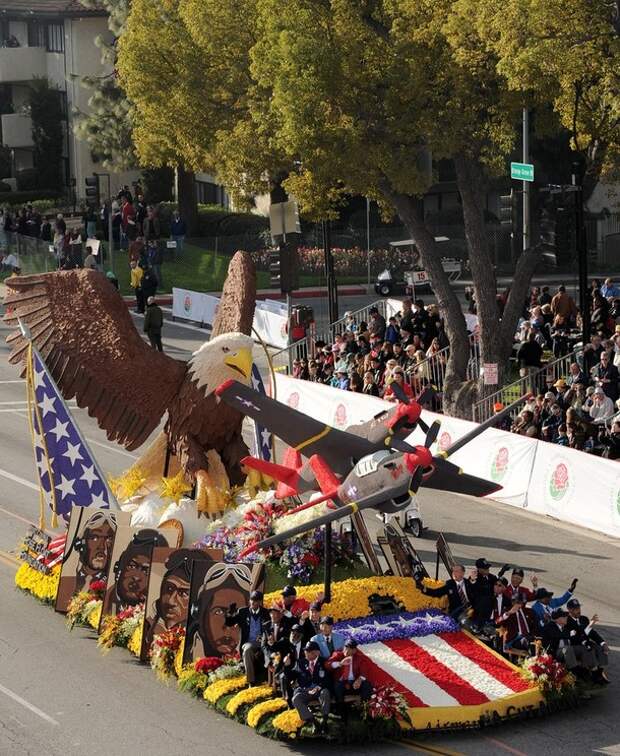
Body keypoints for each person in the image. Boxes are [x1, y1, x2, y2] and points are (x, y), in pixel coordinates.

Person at [56, 510, 117, 610]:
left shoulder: (111, 591)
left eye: (109, 539)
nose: (102, 546)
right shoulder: (65, 581)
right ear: (81, 544)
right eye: (95, 537)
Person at [225, 590, 270, 686]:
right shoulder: (243, 612)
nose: (253, 602)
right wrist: (229, 613)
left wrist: (264, 638)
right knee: (247, 649)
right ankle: (251, 681)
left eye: (256, 600)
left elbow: (269, 628)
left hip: (262, 642)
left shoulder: (266, 613)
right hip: (248, 642)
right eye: (251, 600)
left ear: (260, 602)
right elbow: (230, 623)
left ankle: (270, 680)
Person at [291, 641, 332, 734]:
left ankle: (324, 722)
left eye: (308, 651)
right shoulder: (301, 662)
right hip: (306, 690)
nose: (306, 653)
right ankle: (314, 722)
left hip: (319, 689)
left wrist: (318, 687)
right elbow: (292, 675)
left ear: (317, 652)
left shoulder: (324, 662)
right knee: (296, 699)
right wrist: (286, 666)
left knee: (325, 693)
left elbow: (328, 680)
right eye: (306, 651)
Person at [566, 599, 610, 684]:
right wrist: (588, 627)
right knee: (588, 650)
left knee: (600, 648)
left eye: (579, 607)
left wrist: (603, 643)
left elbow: (592, 633)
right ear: (570, 610)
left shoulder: (584, 619)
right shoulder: (567, 621)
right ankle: (592, 674)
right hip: (576, 645)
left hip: (586, 643)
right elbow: (576, 635)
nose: (579, 610)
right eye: (576, 609)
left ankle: (599, 672)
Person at [327, 638, 373, 705]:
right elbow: (327, 664)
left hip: (353, 682)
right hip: (341, 682)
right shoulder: (337, 654)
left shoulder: (359, 658)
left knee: (367, 685)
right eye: (345, 647)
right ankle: (341, 709)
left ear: (354, 650)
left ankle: (364, 707)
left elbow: (364, 671)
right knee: (338, 685)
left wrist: (359, 679)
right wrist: (340, 663)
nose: (346, 651)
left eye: (350, 649)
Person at [262, 603, 294, 668]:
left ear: (281, 615)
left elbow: (285, 641)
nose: (272, 616)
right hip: (270, 654)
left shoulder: (286, 624)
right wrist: (271, 654)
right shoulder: (266, 626)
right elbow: (263, 645)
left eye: (275, 613)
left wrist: (274, 644)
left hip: (283, 652)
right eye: (271, 613)